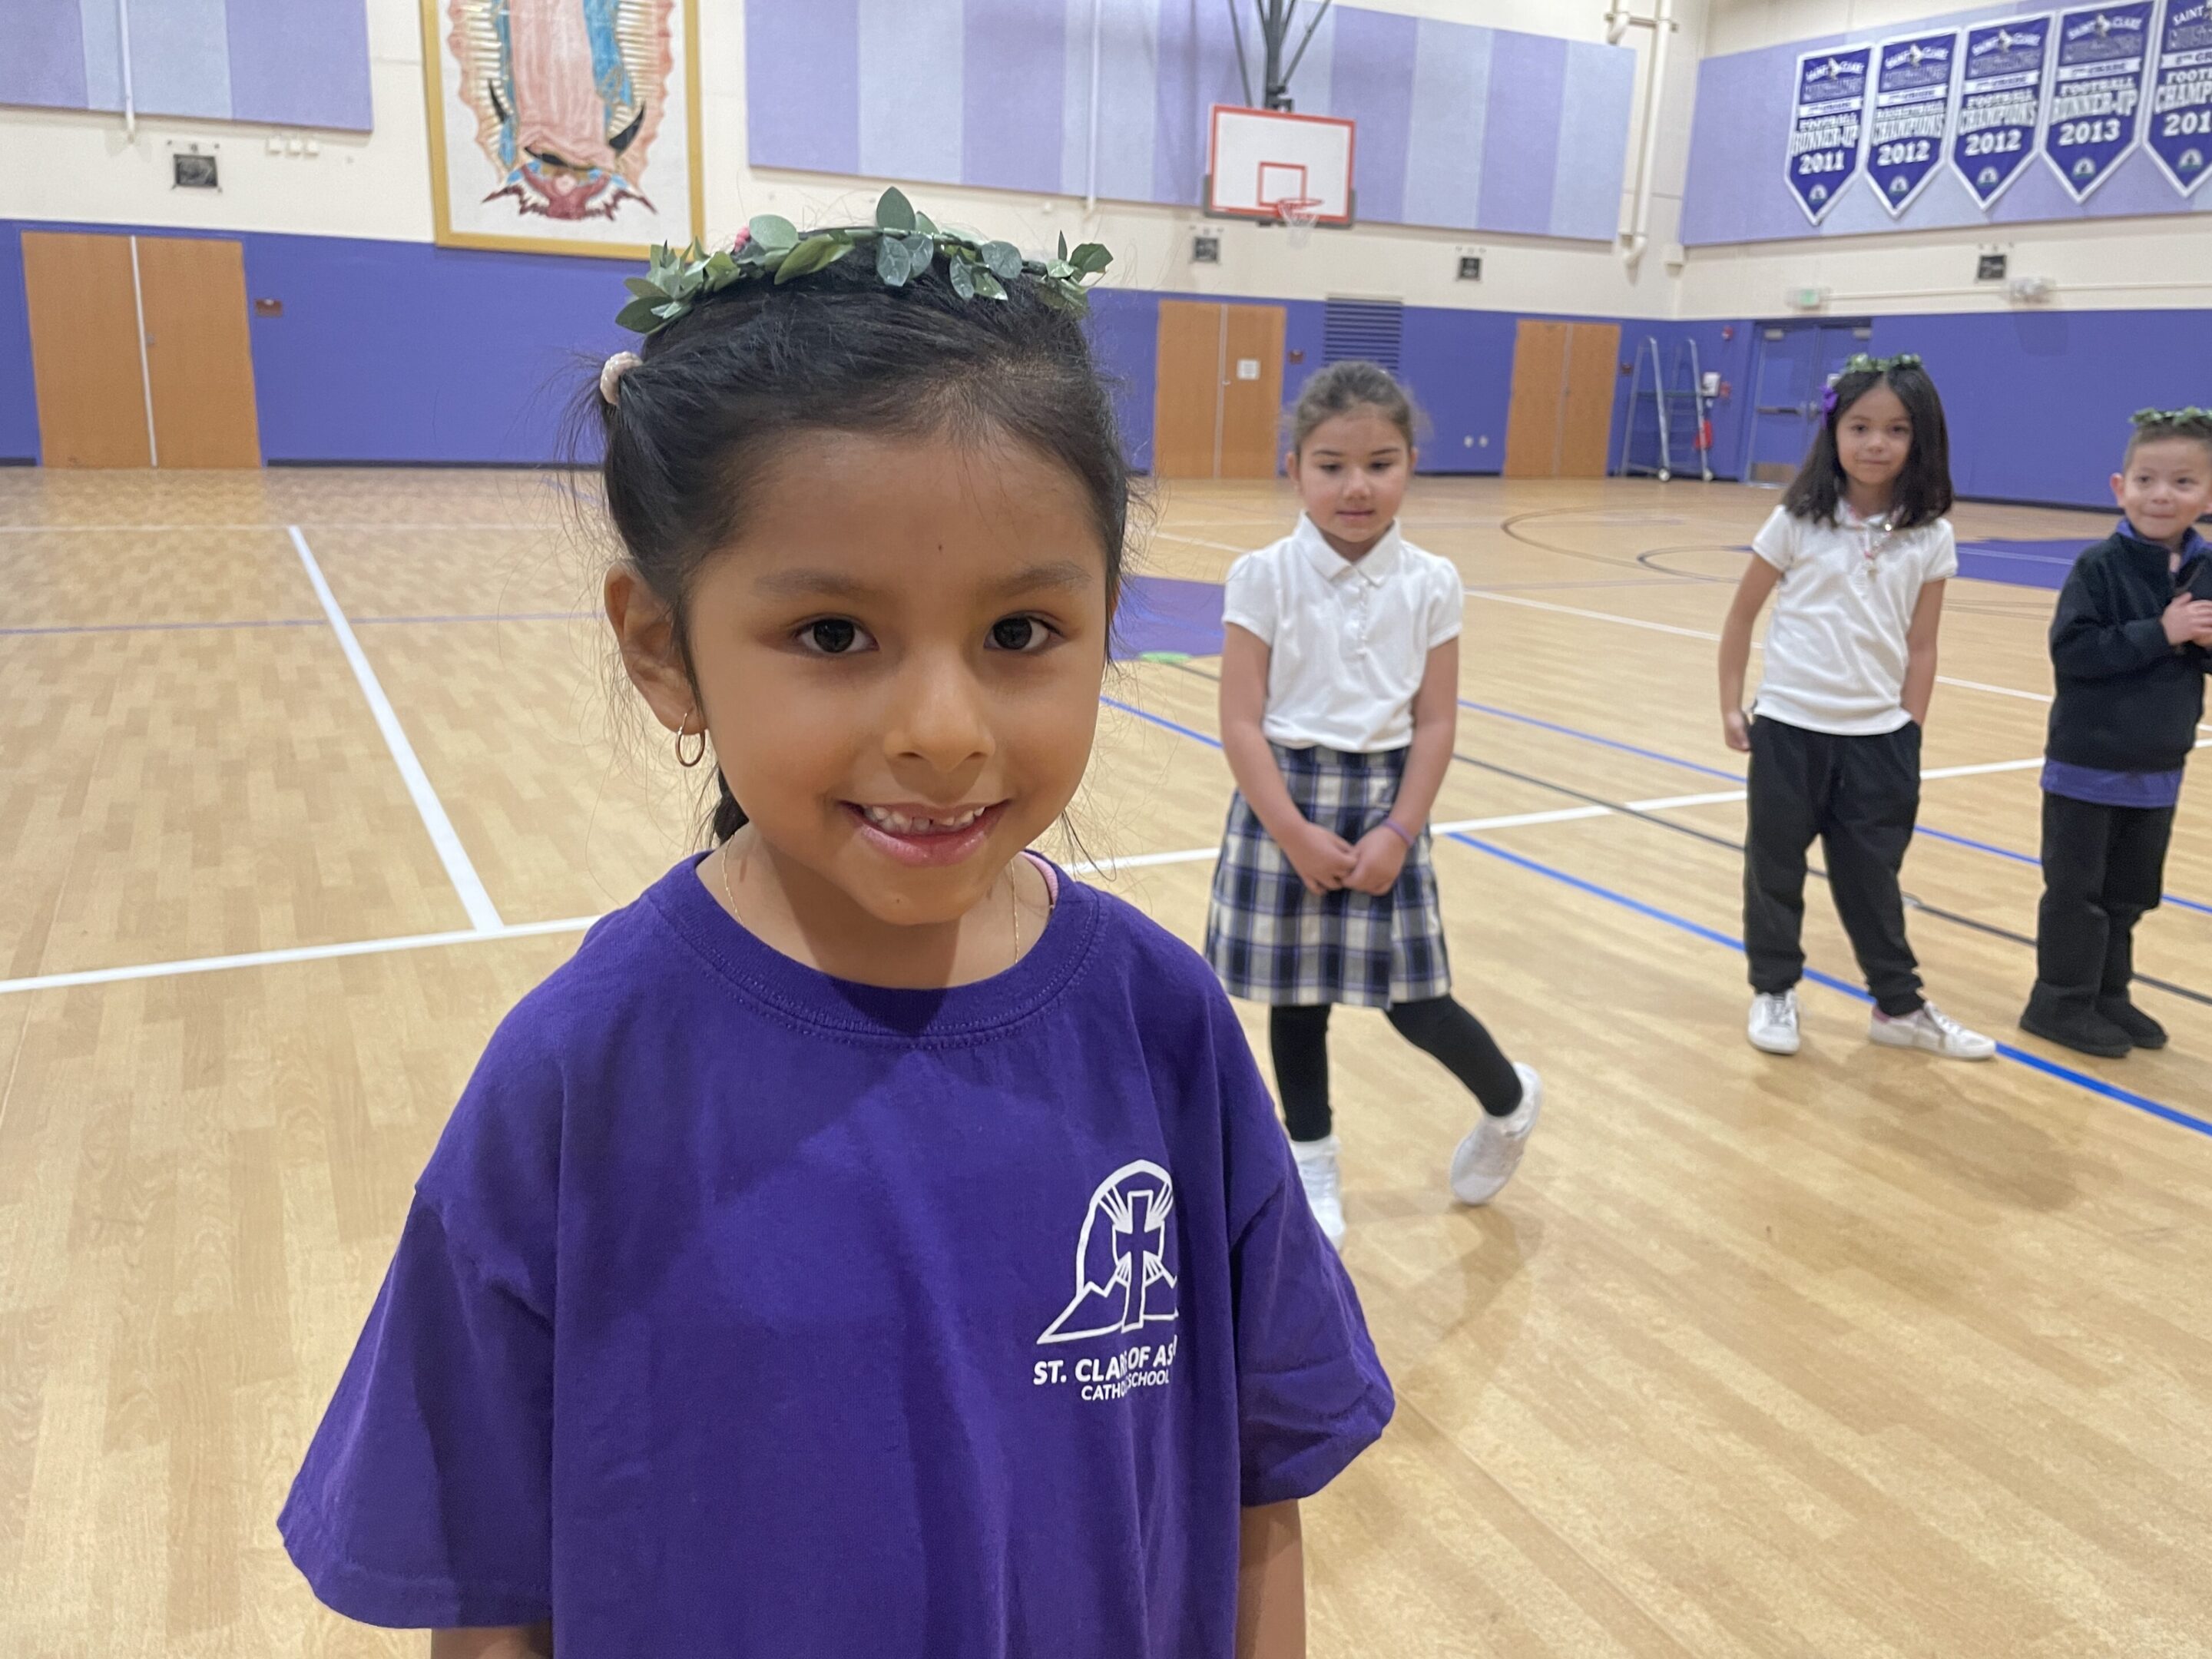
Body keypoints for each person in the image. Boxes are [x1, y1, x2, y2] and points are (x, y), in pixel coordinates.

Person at [278, 197, 1391, 1659]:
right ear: (663, 648)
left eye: (1019, 635)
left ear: (1112, 620)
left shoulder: (1164, 1025)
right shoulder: (578, 1077)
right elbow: (490, 1593)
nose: (942, 733)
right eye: (833, 636)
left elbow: (1260, 1498)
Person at [1205, 359, 1541, 1250]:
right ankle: (1310, 1156)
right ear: (1295, 469)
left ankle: (1509, 1104)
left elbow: (1434, 722)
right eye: (1331, 465)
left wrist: (1399, 828)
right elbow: (1241, 720)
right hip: (1286, 800)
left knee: (1416, 1001)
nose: (1357, 485)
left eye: (1380, 463)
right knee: (1296, 1002)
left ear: (1411, 466)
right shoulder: (1262, 575)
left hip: (1387, 798)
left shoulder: (1433, 581)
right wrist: (1291, 830)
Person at [1717, 352, 1996, 1062]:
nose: (1876, 444)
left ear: (1920, 439)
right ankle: (1775, 988)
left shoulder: (1930, 534)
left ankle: (1897, 1006)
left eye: (1897, 429)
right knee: (1774, 866)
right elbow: (1741, 617)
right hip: (1789, 728)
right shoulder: (1796, 521)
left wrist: (1910, 728)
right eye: (1861, 426)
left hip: (1879, 739)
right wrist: (1730, 707)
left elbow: (1923, 645)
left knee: (1874, 877)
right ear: (1834, 431)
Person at [2020, 406, 2212, 1057]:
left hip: (2159, 764)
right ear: (2119, 487)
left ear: (2208, 494)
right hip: (2087, 761)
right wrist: (2161, 633)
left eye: (2183, 483)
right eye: (2147, 480)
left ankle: (2109, 994)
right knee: (2078, 893)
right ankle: (2058, 1002)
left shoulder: (2205, 568)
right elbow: (2074, 653)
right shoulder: (2098, 567)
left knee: (2130, 894)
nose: (2162, 495)